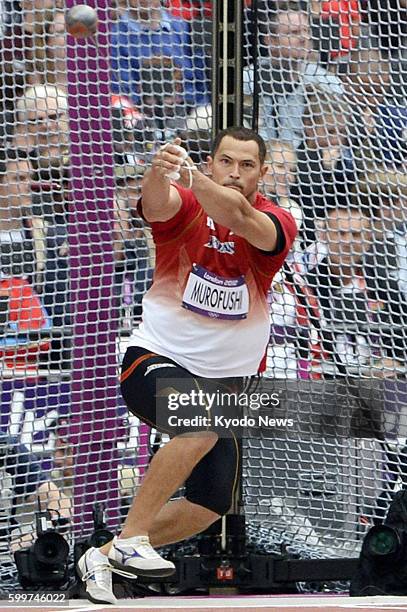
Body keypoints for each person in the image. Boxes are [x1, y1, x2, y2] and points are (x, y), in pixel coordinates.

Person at [77, 126, 298, 604]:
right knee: (199, 424)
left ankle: (105, 552)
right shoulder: (187, 206)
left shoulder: (279, 220)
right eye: (225, 162)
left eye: (245, 165)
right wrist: (159, 173)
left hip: (223, 387)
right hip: (154, 359)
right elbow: (157, 205)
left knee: (210, 503)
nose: (234, 173)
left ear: (263, 172)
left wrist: (193, 175)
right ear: (212, 161)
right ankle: (133, 541)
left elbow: (239, 213)